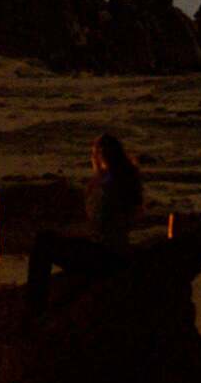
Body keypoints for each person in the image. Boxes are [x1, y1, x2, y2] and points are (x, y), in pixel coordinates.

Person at [25, 132, 144, 317]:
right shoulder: (127, 181)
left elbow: (98, 225)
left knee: (43, 244)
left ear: (98, 157)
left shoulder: (106, 186)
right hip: (117, 251)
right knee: (49, 241)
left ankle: (34, 308)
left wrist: (69, 231)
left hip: (104, 255)